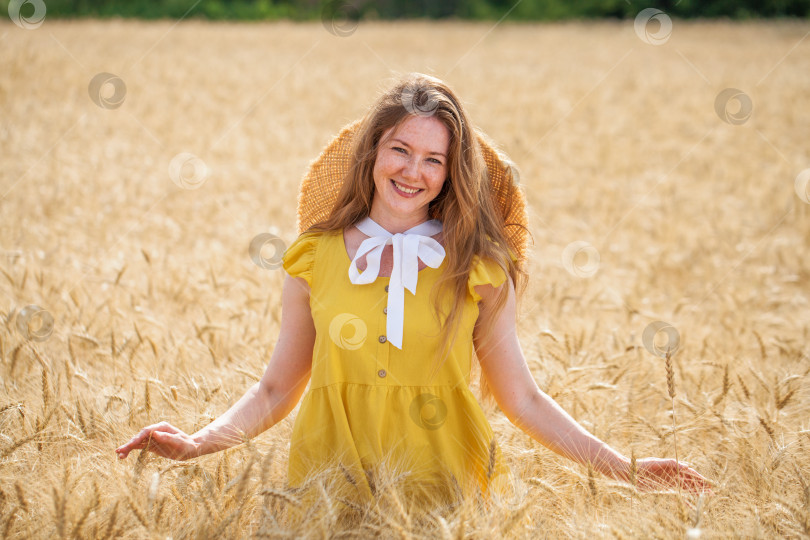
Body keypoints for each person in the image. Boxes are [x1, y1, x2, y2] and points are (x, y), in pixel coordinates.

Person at [116, 72, 711, 510]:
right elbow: (278, 385)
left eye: (433, 159)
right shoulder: (312, 258)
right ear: (372, 152)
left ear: (452, 173)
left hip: (446, 495)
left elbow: (523, 400)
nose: (412, 171)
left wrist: (627, 470)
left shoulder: (479, 270)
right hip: (327, 491)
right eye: (400, 149)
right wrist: (197, 443)